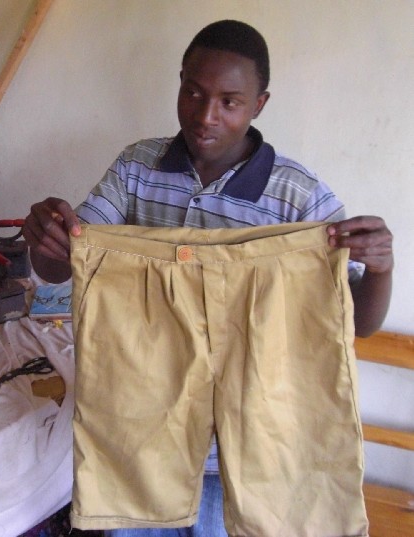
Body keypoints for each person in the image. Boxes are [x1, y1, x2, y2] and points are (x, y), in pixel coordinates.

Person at [23, 20, 393, 537]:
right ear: (179, 83)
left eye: (229, 102)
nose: (205, 115)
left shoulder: (299, 199)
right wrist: (47, 241)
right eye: (193, 93)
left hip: (252, 446)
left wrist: (380, 267)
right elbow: (69, 264)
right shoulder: (136, 169)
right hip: (144, 434)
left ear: (259, 104)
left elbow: (360, 324)